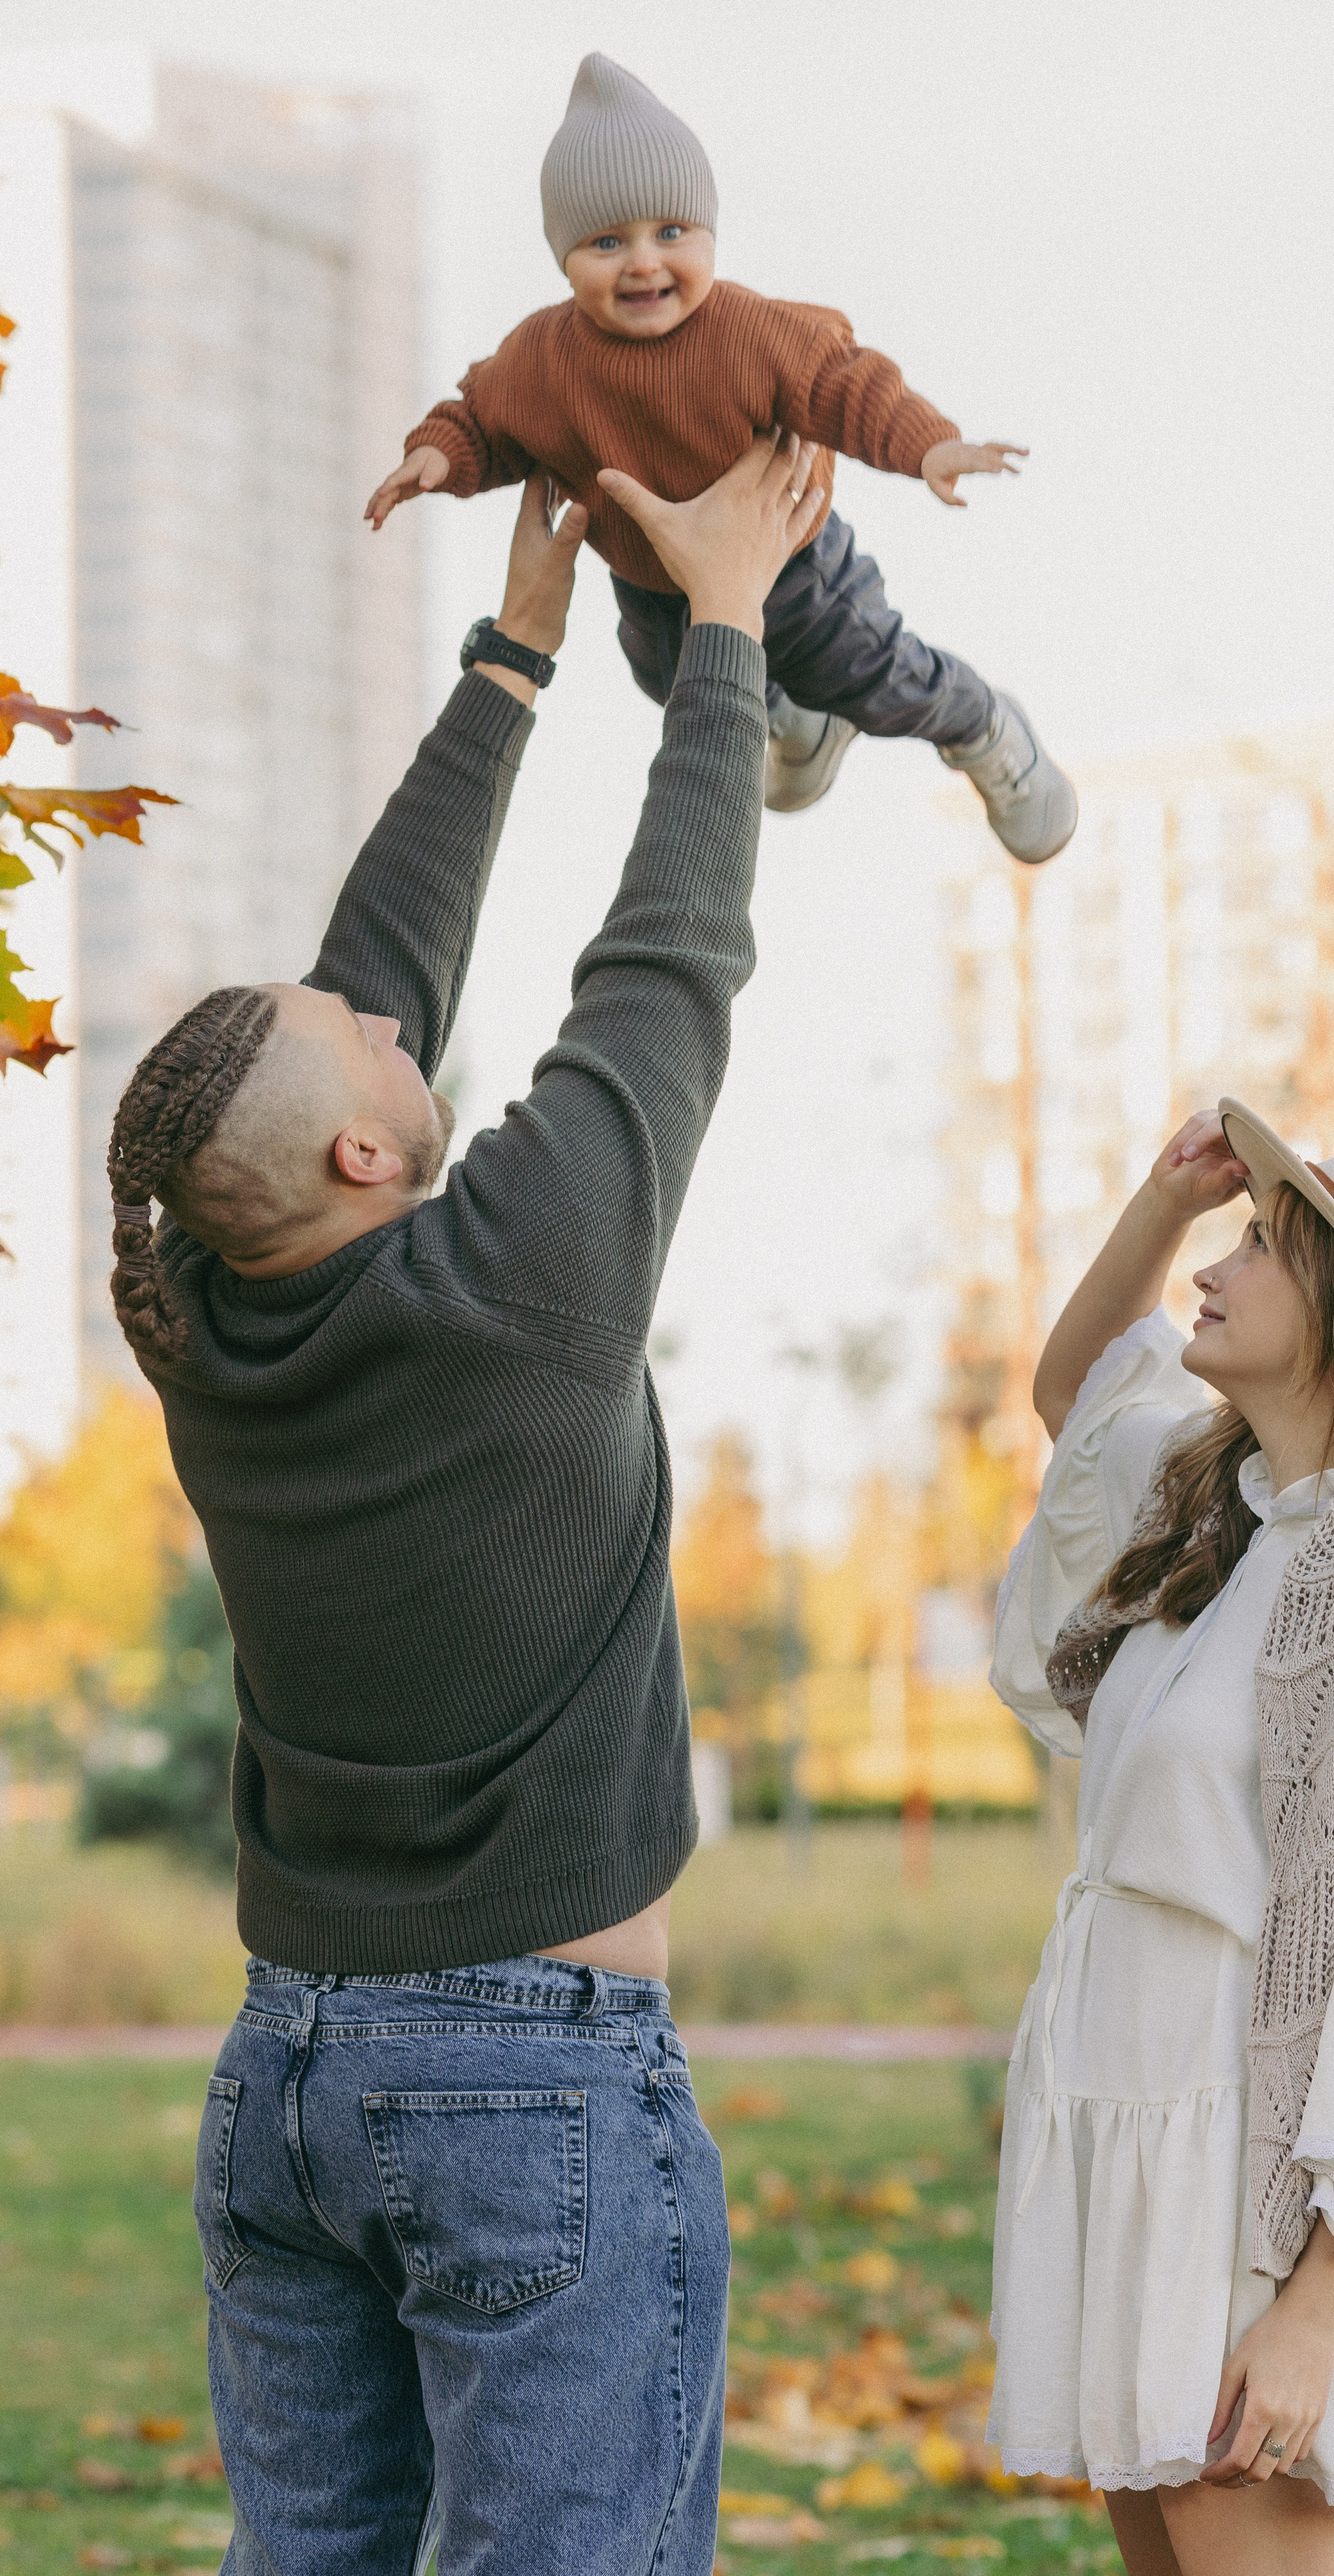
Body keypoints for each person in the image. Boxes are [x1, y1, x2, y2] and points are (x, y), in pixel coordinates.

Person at [103, 432, 822, 2575]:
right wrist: (725, 628)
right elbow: (664, 960)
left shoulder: (209, 1330)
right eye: (356, 1035)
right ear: (357, 1154)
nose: (377, 1005)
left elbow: (372, 978)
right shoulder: (516, 1280)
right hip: (528, 2087)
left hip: (290, 2083)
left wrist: (513, 654)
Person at [987, 1101, 1334, 2571]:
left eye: (1264, 1247)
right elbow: (1077, 1397)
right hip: (1128, 2155)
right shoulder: (1221, 1524)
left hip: (1247, 2200)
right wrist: (1163, 1202)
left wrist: (1313, 2312)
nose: (1214, 1270)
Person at [363, 52, 1077, 867]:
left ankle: (981, 725)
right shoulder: (539, 358)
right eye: (607, 241)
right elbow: (486, 419)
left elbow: (844, 384)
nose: (643, 261)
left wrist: (927, 444)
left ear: (709, 234)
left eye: (670, 233)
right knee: (673, 685)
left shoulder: (748, 332)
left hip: (791, 566)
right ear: (564, 257)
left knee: (869, 677)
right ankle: (797, 724)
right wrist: (438, 454)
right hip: (651, 585)